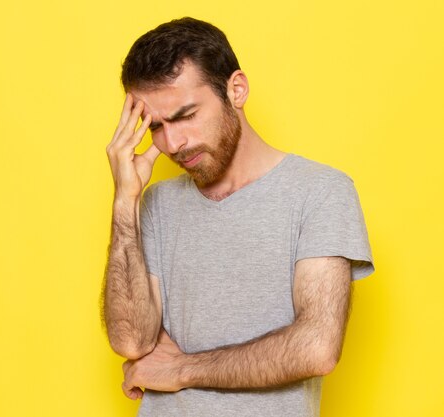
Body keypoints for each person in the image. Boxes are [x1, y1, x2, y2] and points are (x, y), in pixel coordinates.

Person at [102, 17, 374, 417]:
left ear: (236, 90)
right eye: (156, 127)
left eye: (185, 115)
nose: (173, 143)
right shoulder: (156, 203)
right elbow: (130, 342)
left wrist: (181, 369)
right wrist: (125, 199)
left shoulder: (320, 191)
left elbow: (315, 348)